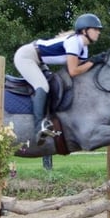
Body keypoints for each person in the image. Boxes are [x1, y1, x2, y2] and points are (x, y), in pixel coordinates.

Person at [14, 13, 103, 145]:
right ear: (84, 31)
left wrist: (94, 63)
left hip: (39, 60)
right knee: (42, 86)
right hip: (26, 56)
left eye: (98, 30)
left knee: (52, 84)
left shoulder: (83, 47)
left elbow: (81, 70)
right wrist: (92, 62)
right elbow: (73, 71)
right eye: (95, 29)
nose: (98, 32)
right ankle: (39, 128)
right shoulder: (74, 42)